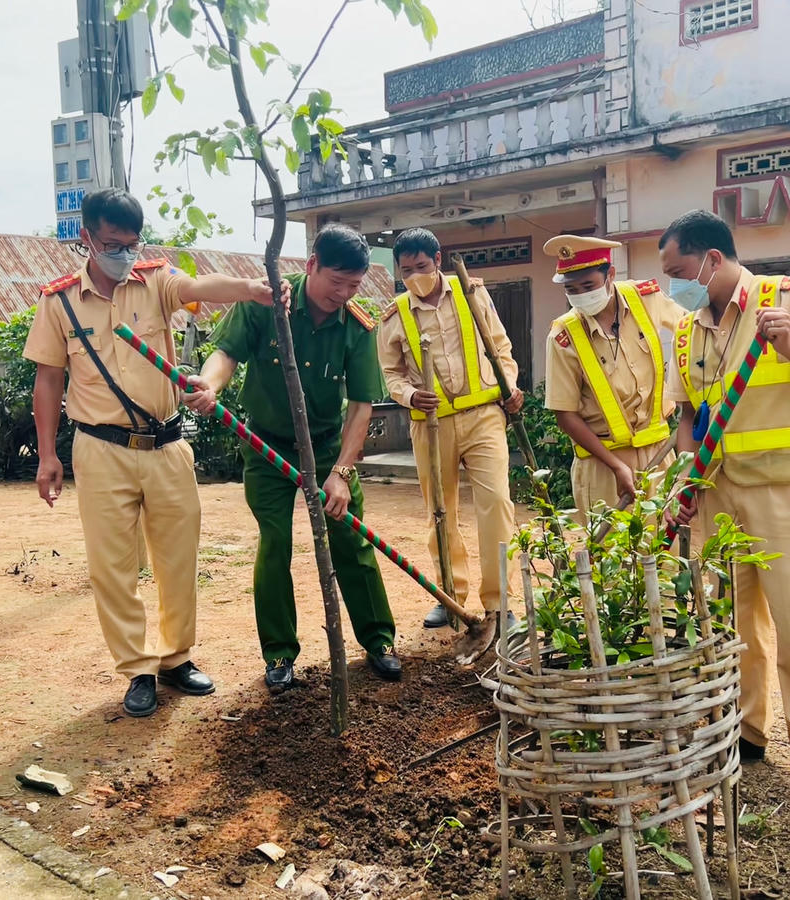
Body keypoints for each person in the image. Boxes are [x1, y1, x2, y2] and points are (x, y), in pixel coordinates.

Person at [23, 187, 288, 718]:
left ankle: (176, 658)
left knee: (178, 559)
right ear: (87, 238)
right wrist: (47, 455)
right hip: (100, 449)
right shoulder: (58, 303)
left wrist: (250, 289)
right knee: (112, 566)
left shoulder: (154, 282)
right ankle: (138, 669)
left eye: (131, 243)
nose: (122, 253)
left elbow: (196, 285)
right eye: (111, 243)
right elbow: (49, 381)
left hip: (166, 443)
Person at [658, 209, 790, 812]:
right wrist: (688, 463)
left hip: (784, 492)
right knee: (729, 622)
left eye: (679, 271)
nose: (675, 284)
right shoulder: (687, 330)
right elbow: (689, 414)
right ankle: (745, 731)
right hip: (718, 493)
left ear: (712, 260)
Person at [184, 223, 400, 693]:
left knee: (352, 542)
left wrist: (342, 473)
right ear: (311, 265)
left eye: (353, 285)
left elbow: (362, 405)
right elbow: (225, 352)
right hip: (266, 446)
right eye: (335, 282)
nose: (342, 294)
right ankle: (280, 654)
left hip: (326, 449)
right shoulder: (267, 301)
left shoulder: (358, 328)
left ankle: (379, 641)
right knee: (275, 542)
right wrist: (210, 386)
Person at [375, 227, 521, 646]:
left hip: (483, 416)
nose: (415, 276)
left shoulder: (472, 293)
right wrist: (407, 395)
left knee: (496, 503)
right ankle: (450, 597)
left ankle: (500, 603)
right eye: (406, 271)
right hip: (431, 424)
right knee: (440, 510)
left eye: (421, 267)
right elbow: (391, 373)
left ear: (437, 260)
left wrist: (509, 386)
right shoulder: (396, 313)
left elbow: (501, 348)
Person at [542, 235, 684, 518]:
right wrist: (616, 466)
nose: (581, 295)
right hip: (602, 464)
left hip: (659, 453)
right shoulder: (563, 336)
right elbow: (565, 413)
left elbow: (690, 332)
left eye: (588, 286)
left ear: (610, 275)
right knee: (611, 555)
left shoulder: (646, 299)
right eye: (571, 289)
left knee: (663, 554)